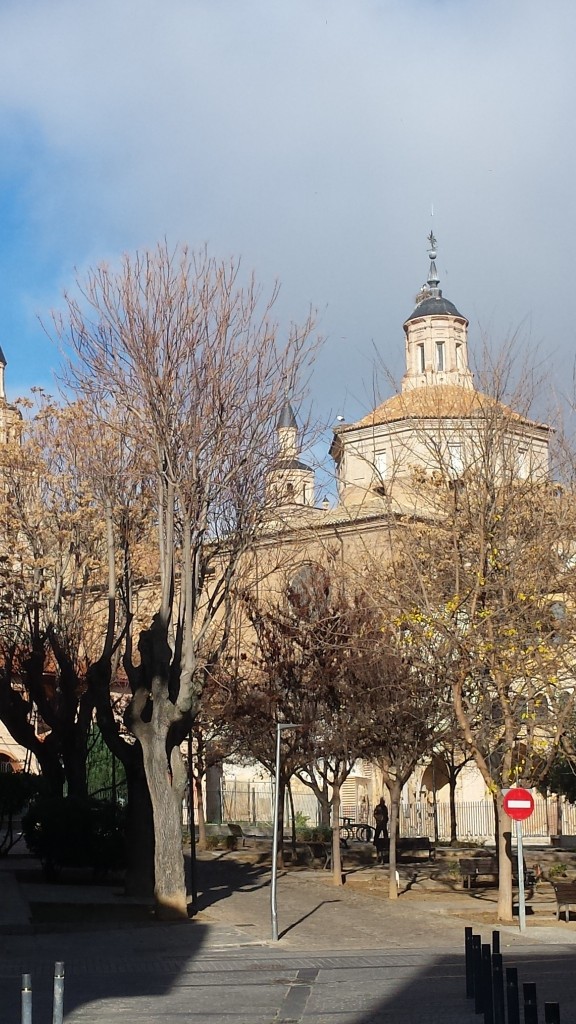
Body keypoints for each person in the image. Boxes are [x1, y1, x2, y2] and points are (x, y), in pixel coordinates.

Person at [373, 797, 389, 864]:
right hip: (381, 824)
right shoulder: (382, 807)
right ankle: (385, 842)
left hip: (381, 824)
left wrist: (380, 820)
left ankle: (378, 842)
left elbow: (375, 814)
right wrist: (383, 820)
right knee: (383, 836)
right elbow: (376, 814)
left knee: (378, 838)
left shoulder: (381, 807)